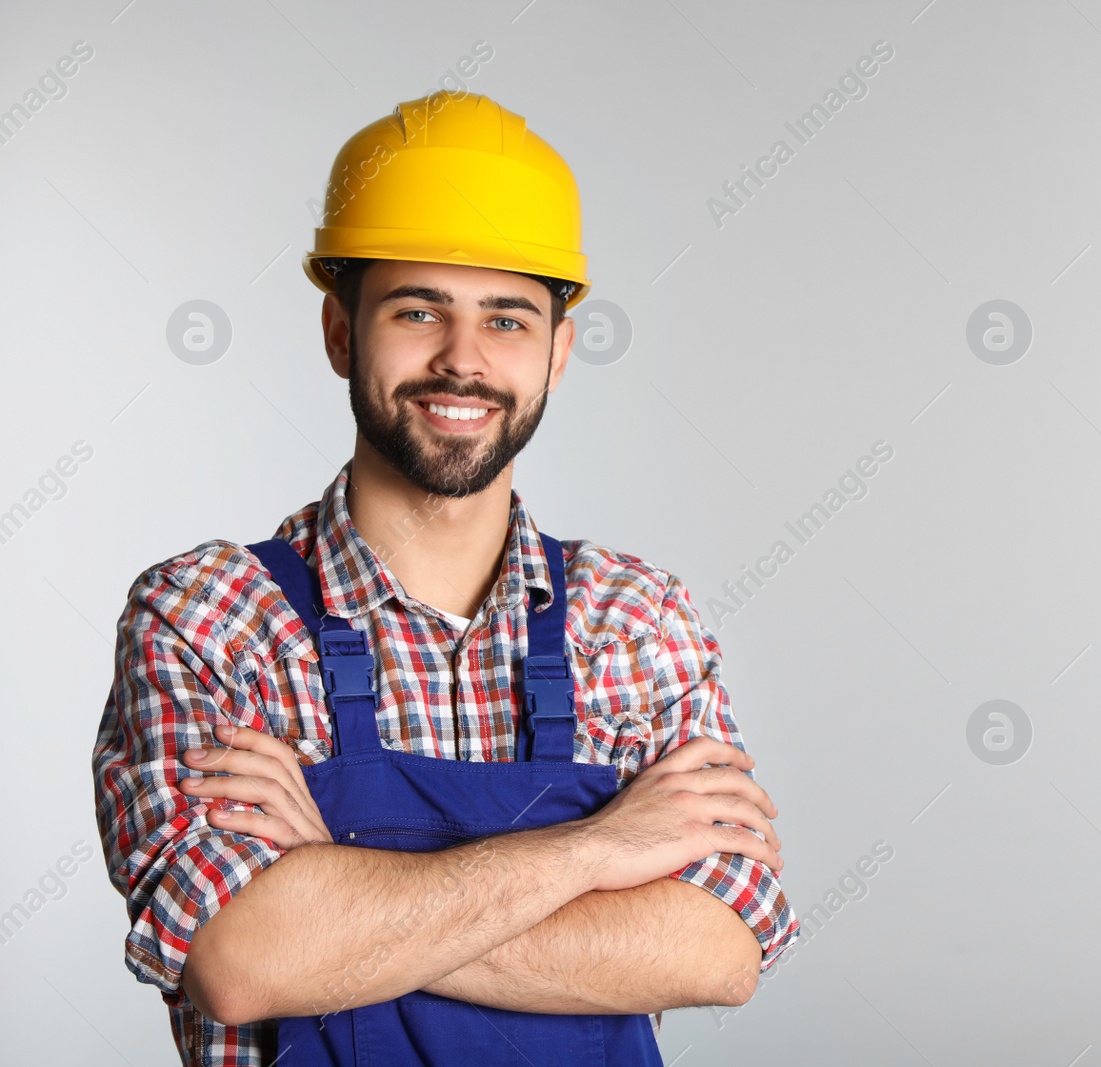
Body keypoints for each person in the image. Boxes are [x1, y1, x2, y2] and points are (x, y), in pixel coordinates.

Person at [90, 90, 796, 1066]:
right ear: (340, 331)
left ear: (558, 351)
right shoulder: (210, 617)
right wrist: (596, 853)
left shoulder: (637, 619)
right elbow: (243, 958)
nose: (462, 361)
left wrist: (339, 893)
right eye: (417, 310)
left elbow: (719, 947)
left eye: (506, 319)